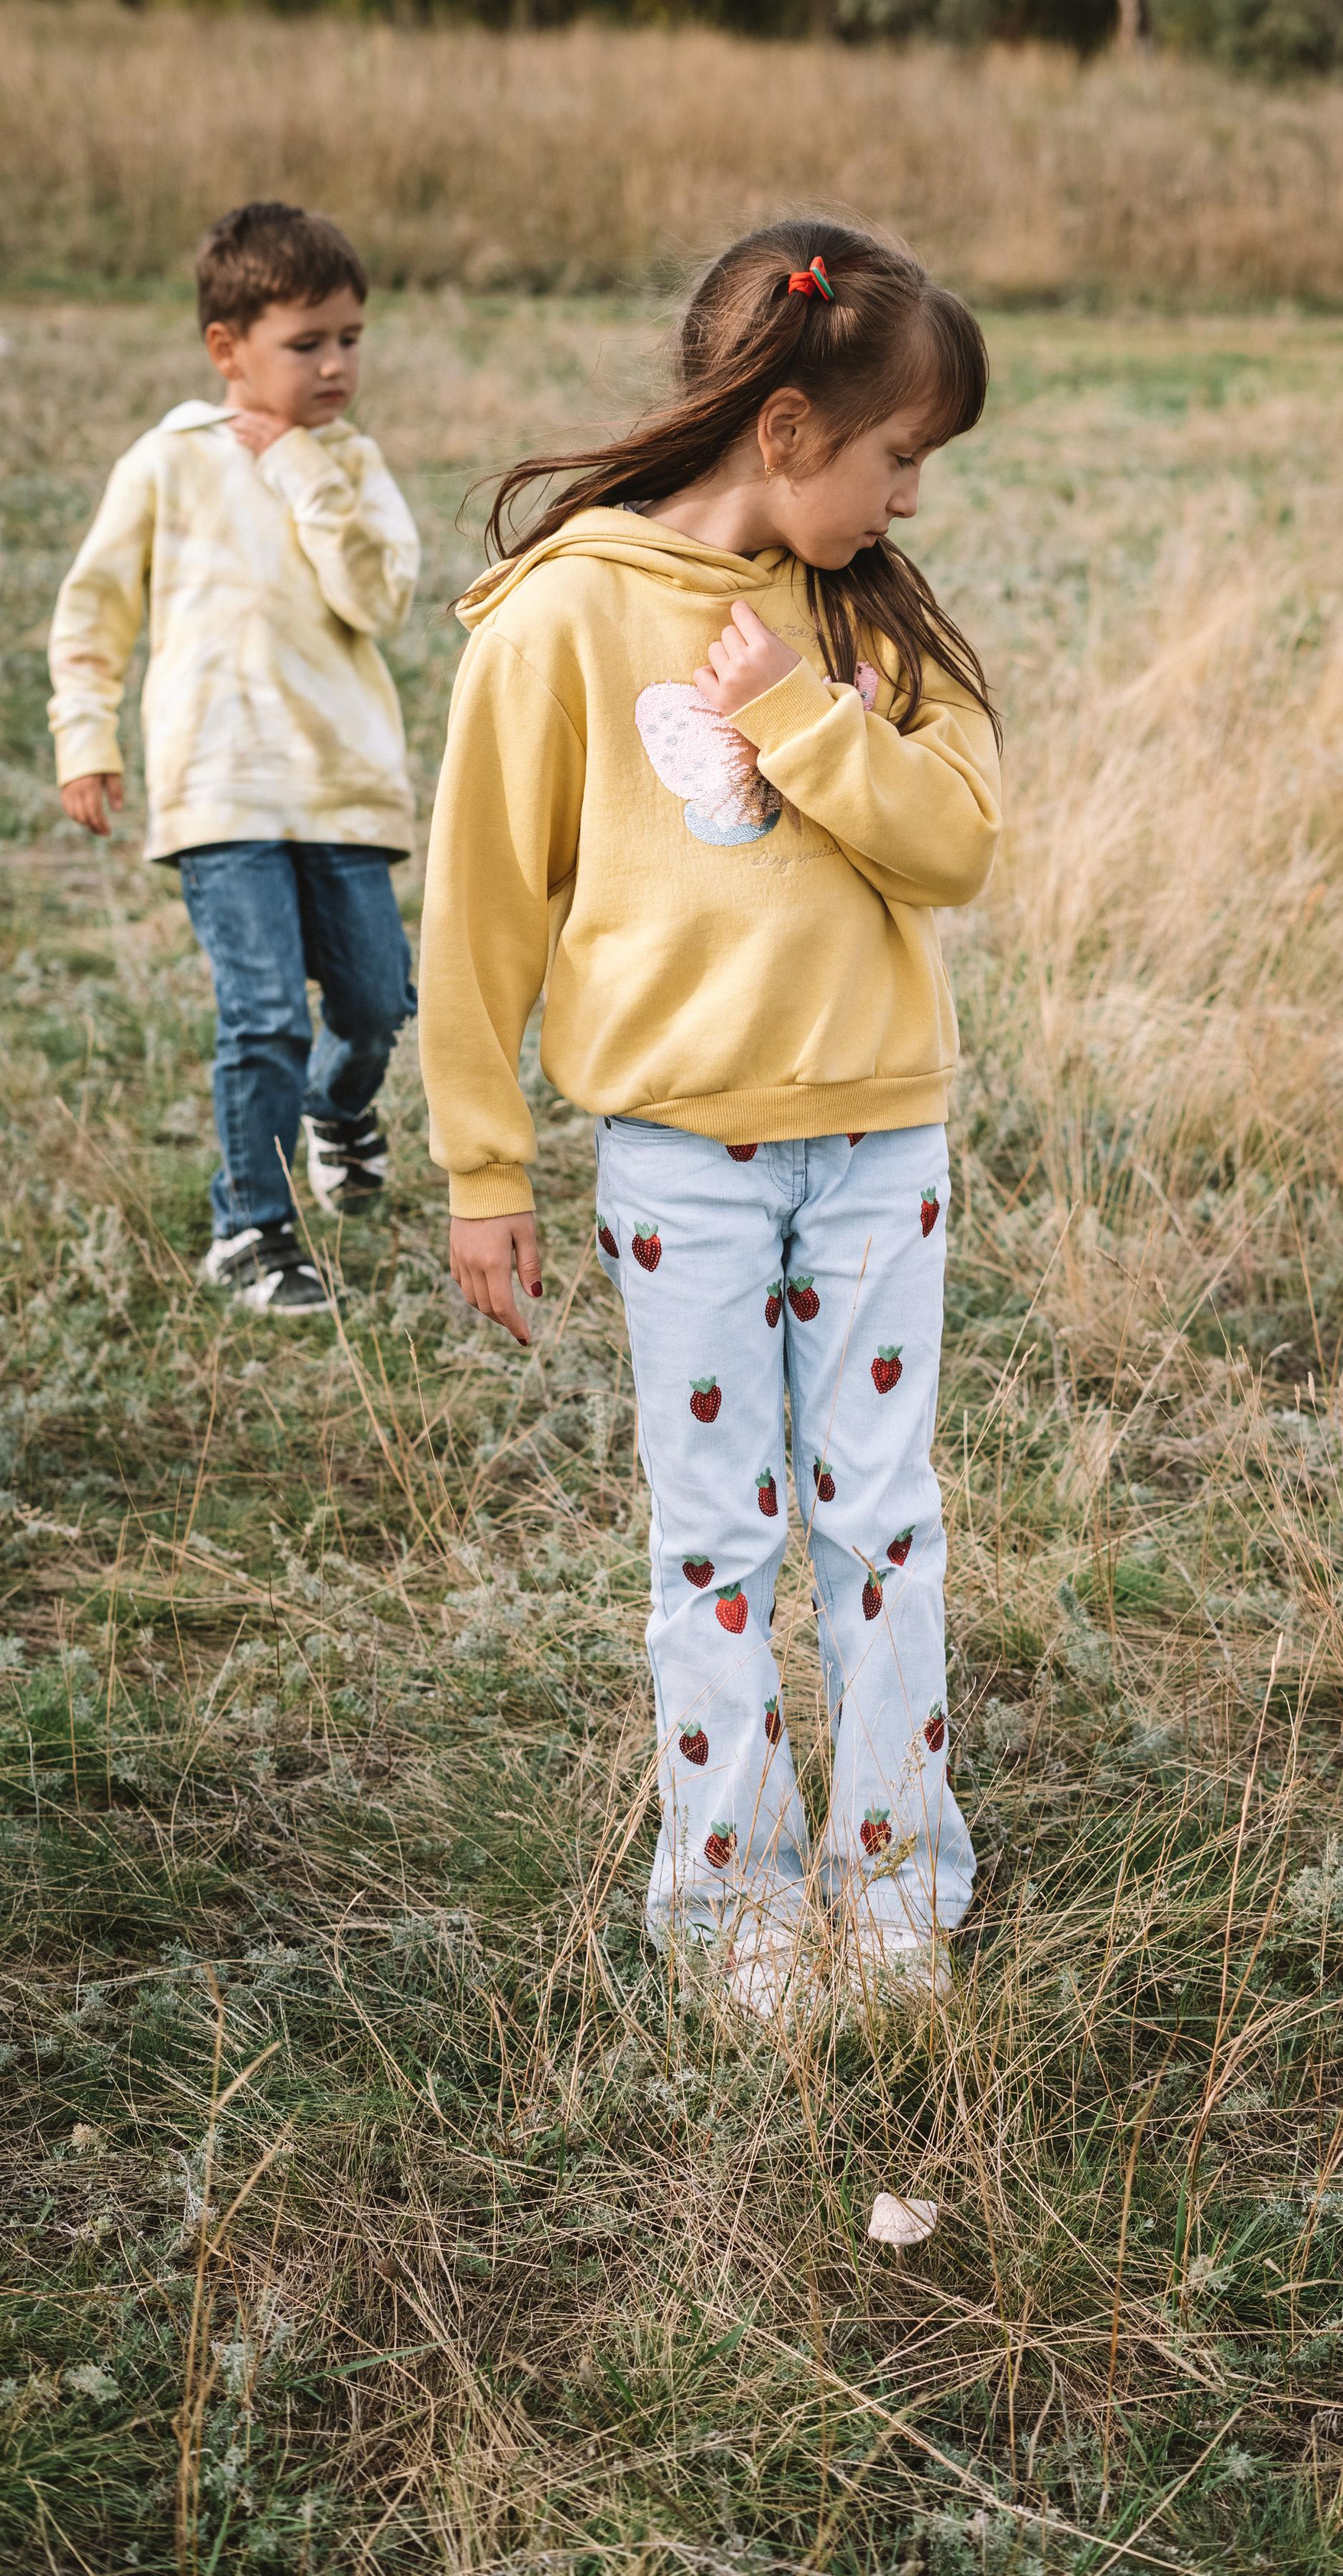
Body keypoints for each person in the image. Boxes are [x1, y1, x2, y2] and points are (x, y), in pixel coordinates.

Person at [421, 221, 1000, 2022]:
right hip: (678, 1158)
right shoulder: (564, 618)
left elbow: (954, 845)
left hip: (878, 1148)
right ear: (782, 427)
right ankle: (728, 1899)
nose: (906, 497)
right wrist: (481, 1166)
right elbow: (481, 909)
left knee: (879, 1521)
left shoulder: (872, 621)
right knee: (718, 1533)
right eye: (895, 456)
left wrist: (799, 722)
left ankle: (893, 1880)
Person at [47, 201, 421, 1315]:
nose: (336, 363)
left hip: (342, 792)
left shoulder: (353, 466)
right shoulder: (168, 462)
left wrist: (307, 473)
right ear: (229, 348)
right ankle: (251, 1231)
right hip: (219, 790)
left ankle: (338, 1111)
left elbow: (381, 598)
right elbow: (93, 611)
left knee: (375, 1007)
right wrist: (85, 735)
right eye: (306, 343)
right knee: (264, 1013)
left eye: (350, 337)